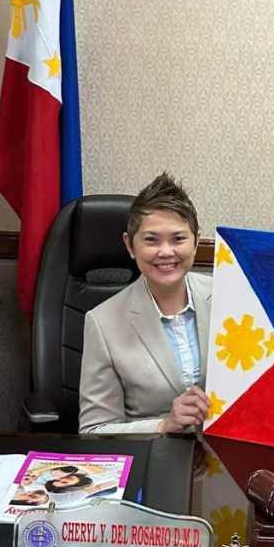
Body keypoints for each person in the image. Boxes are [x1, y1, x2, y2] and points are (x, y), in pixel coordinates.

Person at [79, 173, 212, 436]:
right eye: (151, 240)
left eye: (178, 239)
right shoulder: (102, 323)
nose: (166, 251)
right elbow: (94, 430)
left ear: (196, 241)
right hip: (152, 453)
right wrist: (164, 425)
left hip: (224, 452)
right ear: (130, 245)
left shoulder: (228, 299)